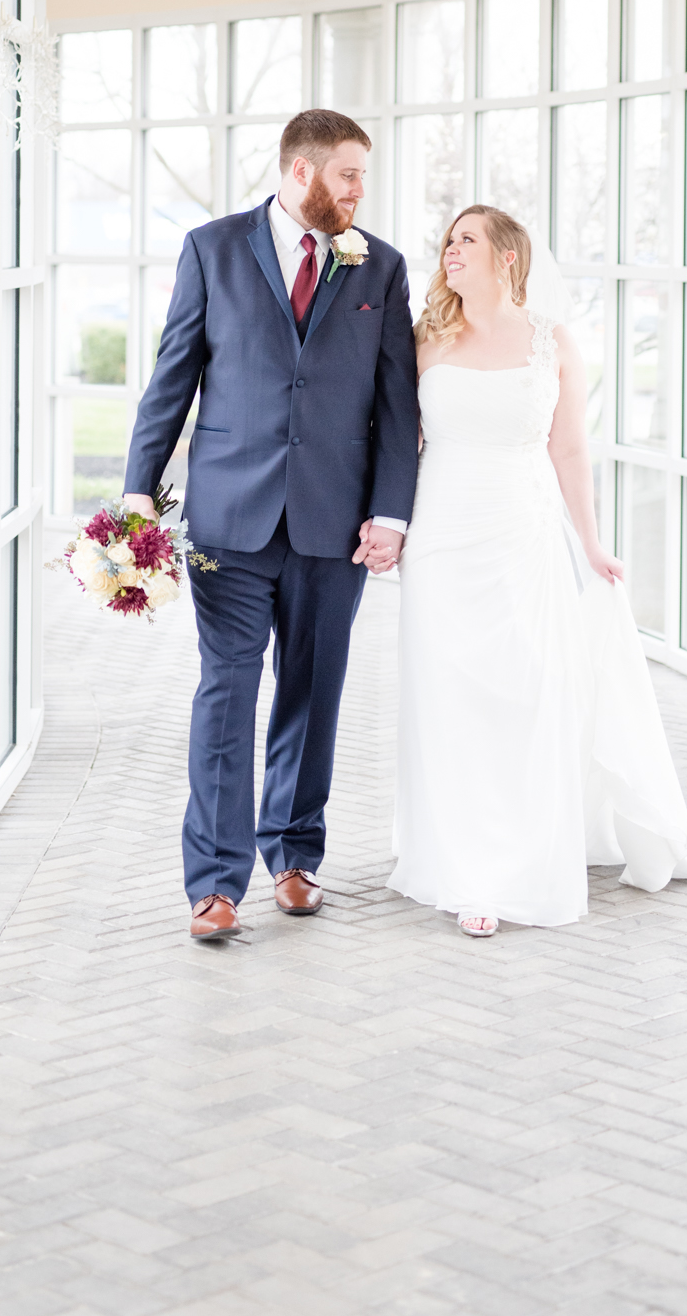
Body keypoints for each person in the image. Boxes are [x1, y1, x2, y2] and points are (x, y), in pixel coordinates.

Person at [387, 204, 687, 938]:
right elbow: (393, 444)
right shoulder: (426, 339)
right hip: (442, 533)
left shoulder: (554, 343)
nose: (450, 251)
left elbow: (570, 452)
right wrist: (384, 524)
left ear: (507, 257)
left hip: (521, 532)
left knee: (521, 691)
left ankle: (514, 861)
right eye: (448, 240)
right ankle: (461, 863)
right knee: (449, 699)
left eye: (467, 240)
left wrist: (593, 543)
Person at [123, 110, 418, 942]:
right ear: (301, 172)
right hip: (229, 520)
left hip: (336, 522)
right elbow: (170, 380)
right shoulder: (211, 250)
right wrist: (137, 495)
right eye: (349, 174)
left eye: (364, 175)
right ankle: (213, 883)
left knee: (311, 692)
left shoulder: (381, 267)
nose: (362, 190)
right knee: (227, 693)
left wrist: (391, 513)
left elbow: (397, 406)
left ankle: (293, 855)